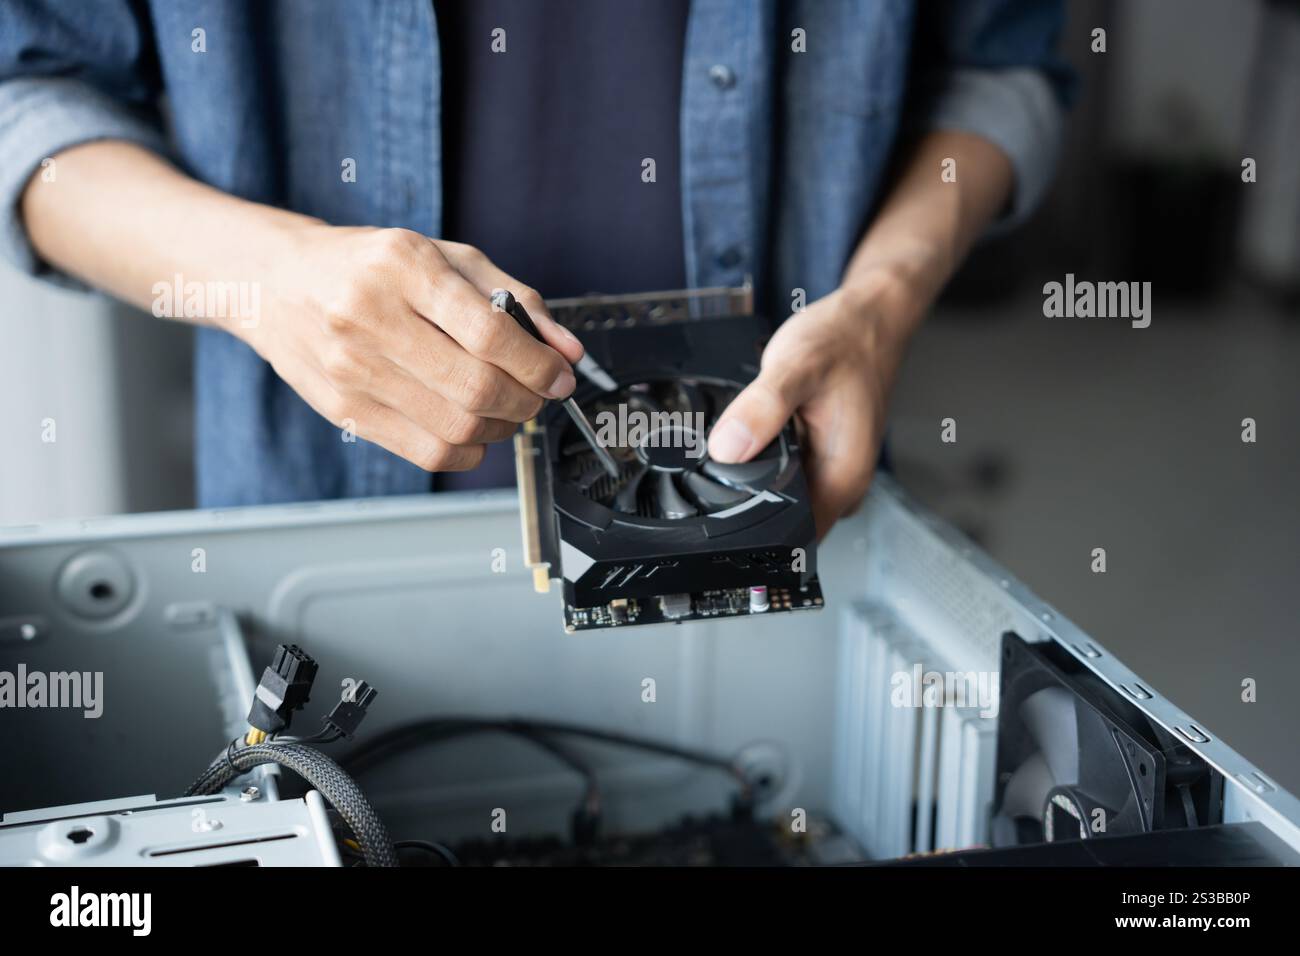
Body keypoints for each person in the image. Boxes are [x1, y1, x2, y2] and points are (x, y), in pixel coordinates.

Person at [0, 0, 1070, 535]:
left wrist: (878, 304)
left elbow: (999, 63)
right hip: (325, 505)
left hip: (773, 492)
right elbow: (30, 94)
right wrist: (267, 276)